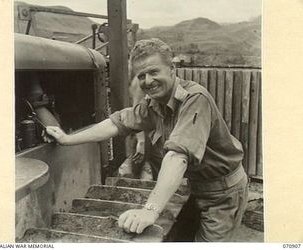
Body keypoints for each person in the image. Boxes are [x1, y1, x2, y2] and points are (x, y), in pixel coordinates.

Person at [46, 38, 248, 242]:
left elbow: (178, 157)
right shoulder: (153, 104)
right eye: (141, 76)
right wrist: (67, 139)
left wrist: (149, 210)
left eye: (153, 72)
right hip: (195, 186)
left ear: (172, 69)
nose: (147, 81)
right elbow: (116, 123)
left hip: (223, 194)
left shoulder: (195, 99)